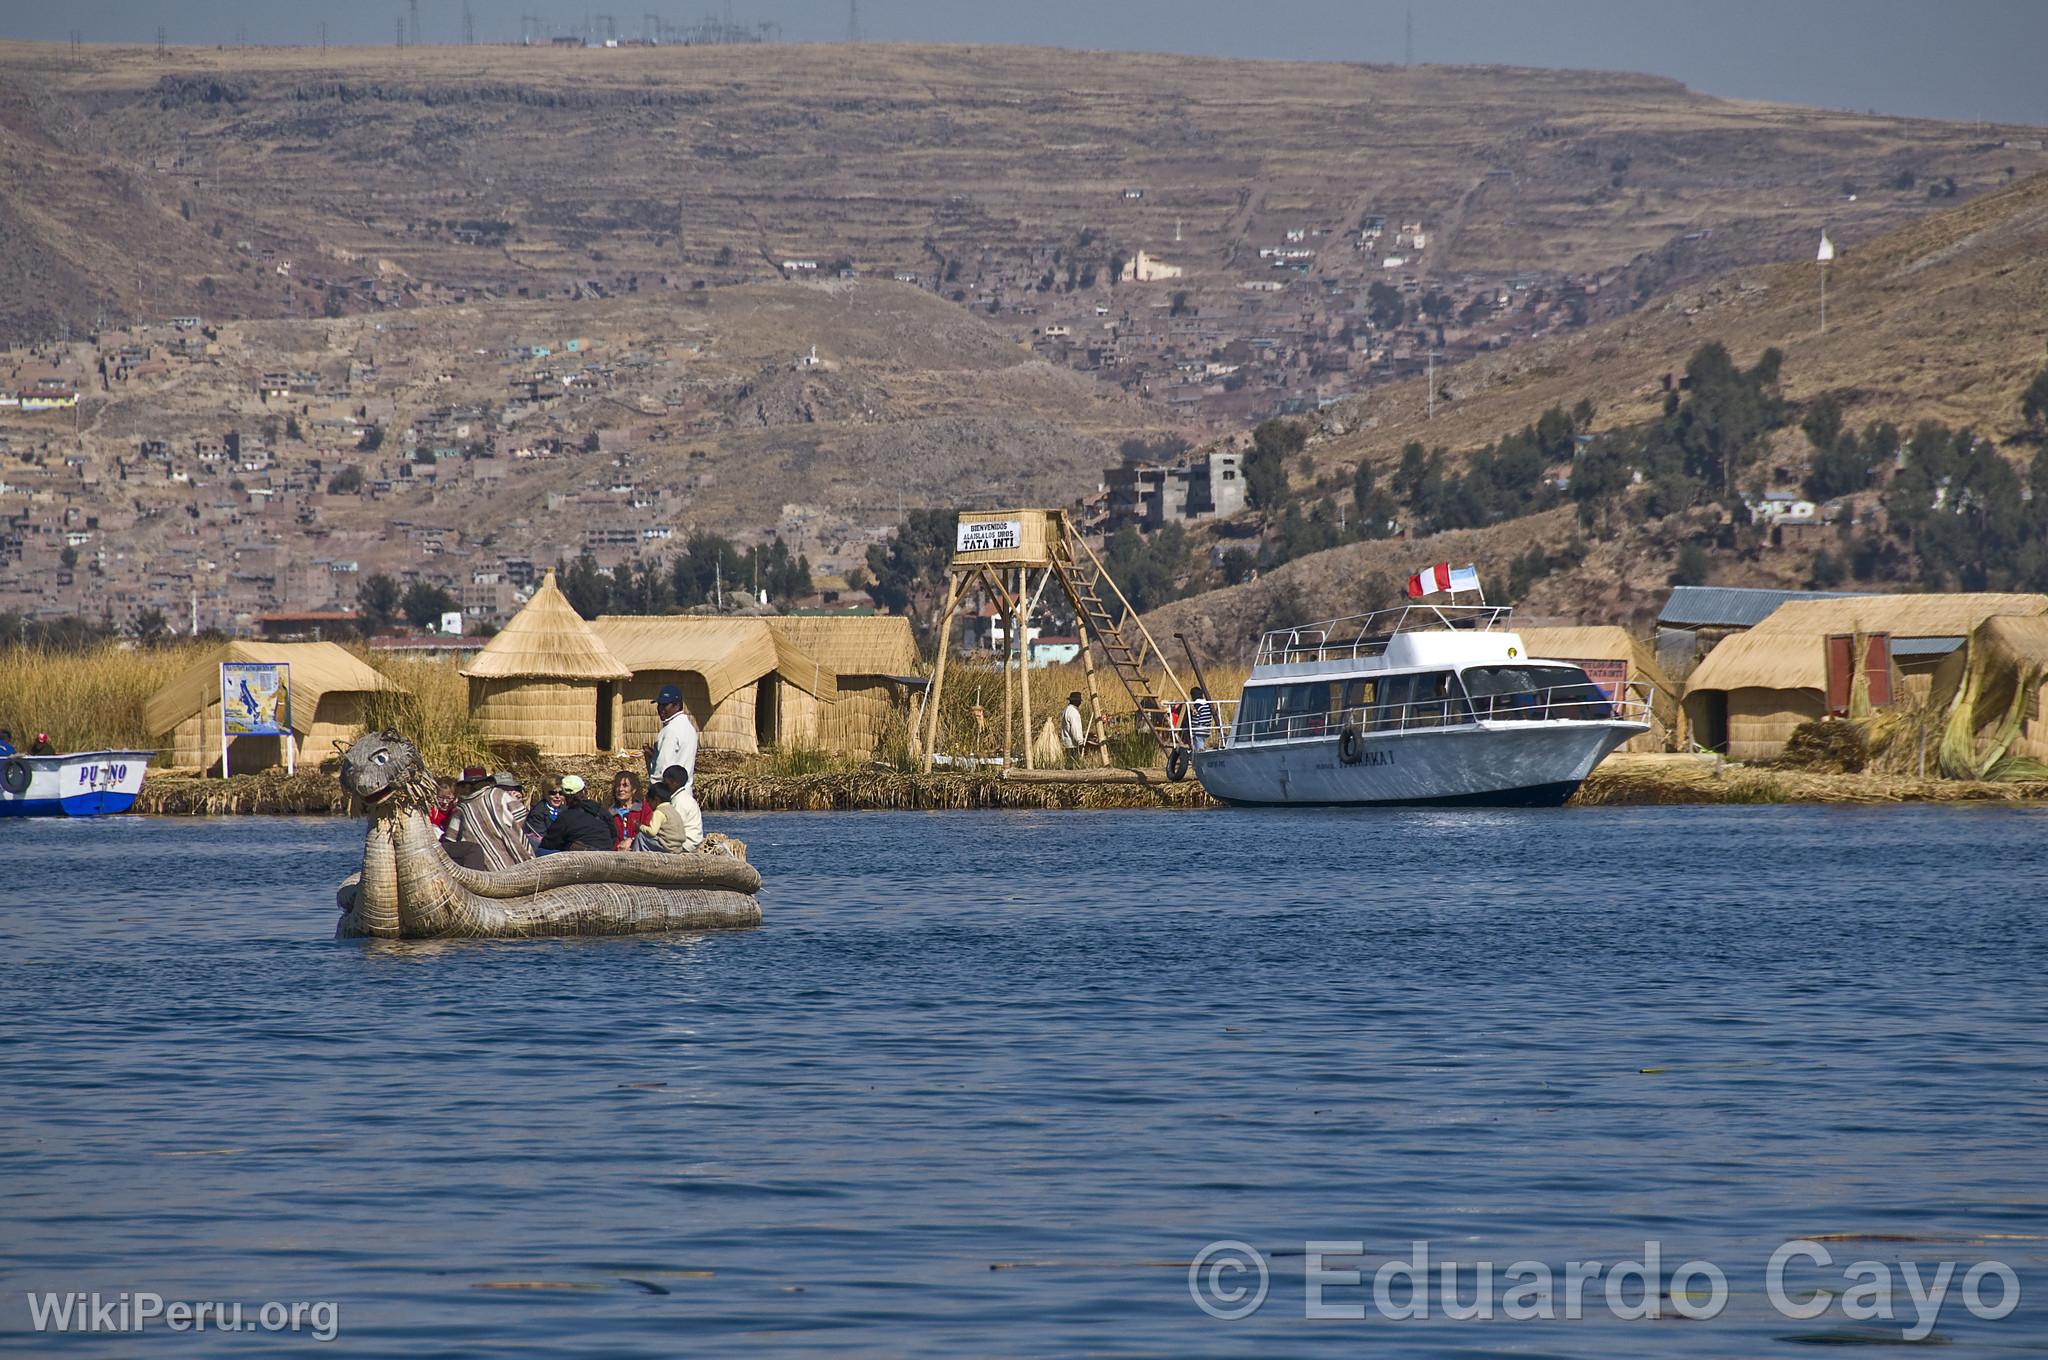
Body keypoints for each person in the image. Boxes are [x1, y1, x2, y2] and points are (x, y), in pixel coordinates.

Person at [447, 768, 534, 871]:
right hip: (515, 859)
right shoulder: (497, 795)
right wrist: (508, 831)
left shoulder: (461, 808)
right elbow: (520, 815)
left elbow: (451, 839)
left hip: (486, 869)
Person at [632, 765, 703, 853]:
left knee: (641, 837)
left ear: (674, 782)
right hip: (683, 841)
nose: (664, 784)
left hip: (686, 843)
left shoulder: (679, 801)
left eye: (665, 781)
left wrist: (641, 827)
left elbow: (674, 827)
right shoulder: (682, 798)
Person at [538, 773, 614, 854]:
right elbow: (613, 834)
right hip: (607, 856)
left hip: (584, 860)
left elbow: (548, 844)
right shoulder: (600, 810)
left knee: (540, 851)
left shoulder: (565, 818)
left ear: (564, 795)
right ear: (584, 791)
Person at [649, 684, 698, 787]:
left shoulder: (670, 730)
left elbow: (662, 766)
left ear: (677, 705)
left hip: (668, 793)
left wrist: (654, 788)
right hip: (684, 791)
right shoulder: (689, 729)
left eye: (665, 705)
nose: (660, 709)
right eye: (659, 705)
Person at [607, 769, 651, 849]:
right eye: (618, 786)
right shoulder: (610, 813)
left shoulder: (644, 809)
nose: (620, 789)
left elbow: (649, 831)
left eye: (625, 785)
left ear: (633, 790)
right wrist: (618, 846)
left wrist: (632, 840)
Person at [1059, 691, 1087, 769]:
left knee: (1069, 764)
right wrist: (1080, 742)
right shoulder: (1073, 712)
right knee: (1073, 766)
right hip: (1073, 744)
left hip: (1066, 743)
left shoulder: (1067, 710)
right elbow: (1075, 729)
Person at [1188, 686, 1216, 752]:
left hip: (1199, 730)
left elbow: (1196, 718)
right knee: (1201, 743)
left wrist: (1192, 727)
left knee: (1199, 749)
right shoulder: (1207, 704)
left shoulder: (1197, 706)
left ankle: (1199, 758)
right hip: (1206, 729)